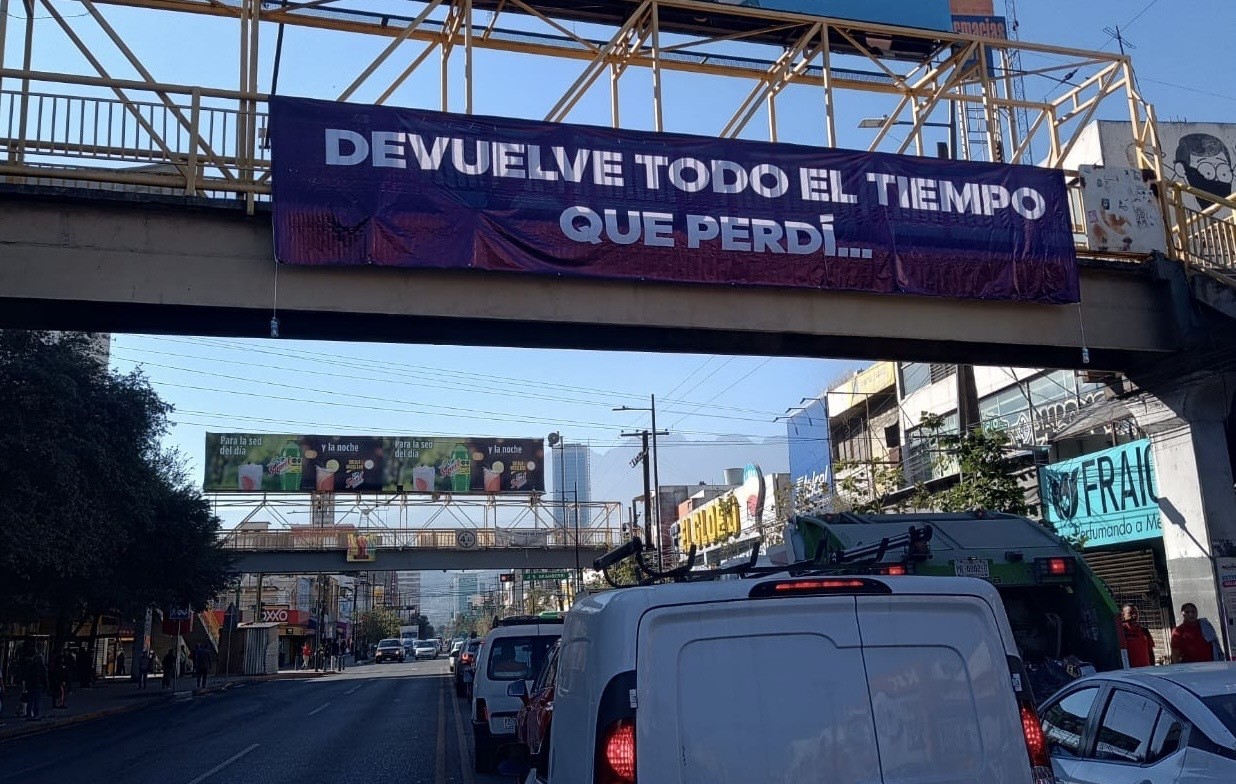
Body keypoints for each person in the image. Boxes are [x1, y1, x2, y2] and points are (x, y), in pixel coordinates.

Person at [24, 650, 48, 721]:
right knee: (37, 701)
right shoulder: (42, 668)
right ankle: (36, 715)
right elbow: (44, 678)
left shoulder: (31, 666)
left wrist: (26, 686)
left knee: (30, 701)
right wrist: (46, 686)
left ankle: (29, 715)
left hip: (31, 685)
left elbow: (27, 677)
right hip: (39, 686)